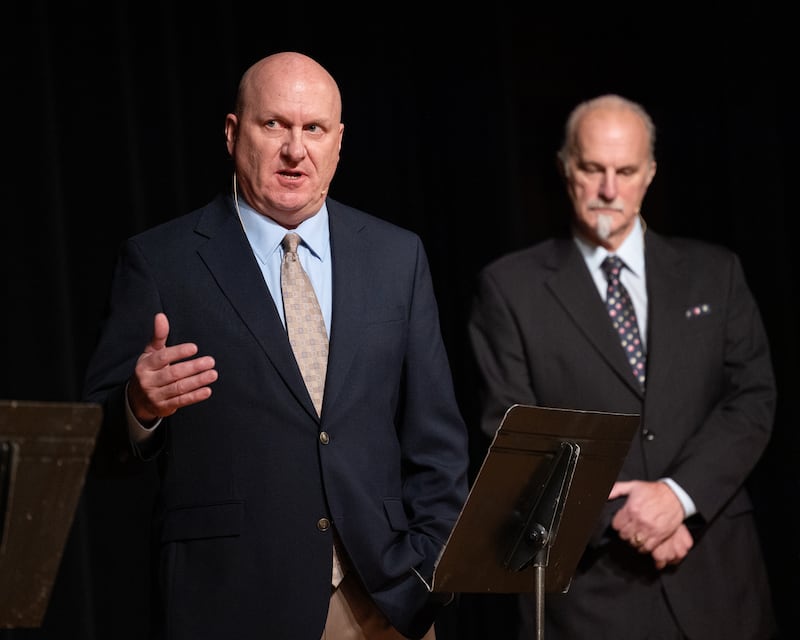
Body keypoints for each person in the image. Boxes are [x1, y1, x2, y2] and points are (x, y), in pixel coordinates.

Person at [83, 51, 469, 640]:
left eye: (313, 128)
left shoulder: (397, 256)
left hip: (386, 599)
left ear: (339, 142)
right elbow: (92, 439)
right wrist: (138, 408)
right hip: (233, 601)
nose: (296, 149)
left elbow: (436, 440)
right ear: (234, 133)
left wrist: (428, 570)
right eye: (274, 126)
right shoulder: (161, 261)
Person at [467, 94, 777, 639]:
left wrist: (679, 497)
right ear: (567, 169)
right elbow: (513, 438)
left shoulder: (715, 273)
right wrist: (627, 521)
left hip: (718, 577)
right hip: (594, 594)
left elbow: (751, 398)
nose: (609, 189)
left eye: (626, 171)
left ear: (650, 174)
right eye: (592, 169)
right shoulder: (509, 289)